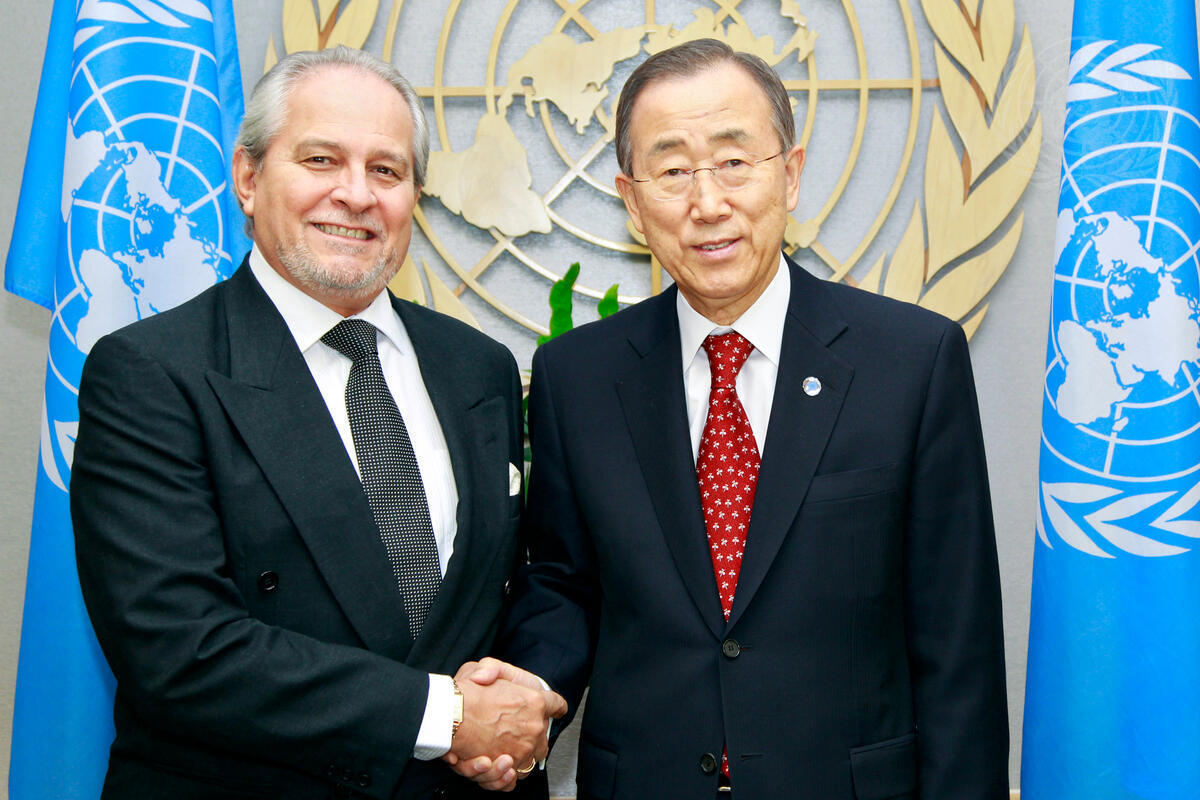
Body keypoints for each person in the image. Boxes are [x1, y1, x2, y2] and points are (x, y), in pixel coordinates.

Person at [490, 39, 1010, 798]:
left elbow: (957, 641)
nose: (708, 204)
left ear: (790, 175)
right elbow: (564, 584)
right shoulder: (578, 377)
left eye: (734, 162)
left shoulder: (912, 362)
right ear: (632, 202)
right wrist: (528, 692)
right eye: (673, 171)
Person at [71, 46, 562, 800]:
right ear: (248, 178)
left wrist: (518, 710)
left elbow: (509, 588)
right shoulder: (150, 373)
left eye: (387, 170)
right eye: (321, 159)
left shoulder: (479, 367)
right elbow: (177, 649)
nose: (355, 194)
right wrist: (447, 716)